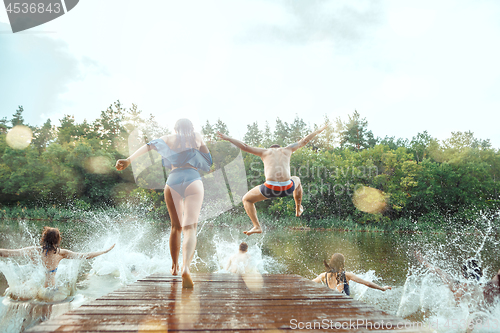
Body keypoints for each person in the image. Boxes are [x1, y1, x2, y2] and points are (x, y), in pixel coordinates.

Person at [115, 118, 212, 288]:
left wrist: (128, 160)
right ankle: (186, 268)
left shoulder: (169, 138)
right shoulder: (197, 137)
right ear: (191, 128)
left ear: (175, 129)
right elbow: (208, 160)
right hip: (193, 179)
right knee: (190, 228)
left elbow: (149, 145)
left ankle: (174, 268)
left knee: (176, 227)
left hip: (173, 180)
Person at [217, 124, 328, 236]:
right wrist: (318, 131)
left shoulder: (265, 152)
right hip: (287, 187)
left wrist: (228, 138)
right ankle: (298, 208)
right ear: (279, 148)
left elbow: (244, 146)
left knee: (246, 200)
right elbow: (304, 141)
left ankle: (256, 226)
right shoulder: (288, 149)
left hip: (270, 188)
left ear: (270, 148)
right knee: (297, 179)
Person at [0, 226, 114, 293]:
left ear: (43, 238)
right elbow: (85, 255)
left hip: (33, 288)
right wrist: (104, 251)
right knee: (45, 318)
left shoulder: (34, 250)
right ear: (58, 240)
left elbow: (7, 253)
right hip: (50, 290)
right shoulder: (61, 253)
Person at [414, 251, 484, 303]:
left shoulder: (457, 286)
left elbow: (439, 271)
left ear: (463, 274)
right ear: (481, 273)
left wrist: (424, 262)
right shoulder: (486, 288)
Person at [312, 253, 392, 295]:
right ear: (342, 263)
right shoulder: (346, 275)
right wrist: (382, 288)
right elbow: (367, 283)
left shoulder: (324, 275)